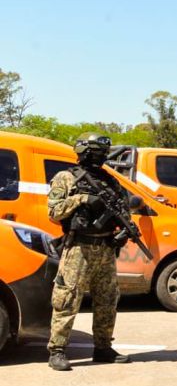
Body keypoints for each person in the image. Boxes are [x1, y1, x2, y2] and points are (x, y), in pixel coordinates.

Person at [46, 133, 131, 371]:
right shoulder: (66, 178)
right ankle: (57, 350)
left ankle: (103, 347)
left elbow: (123, 212)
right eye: (96, 152)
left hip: (105, 248)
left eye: (103, 152)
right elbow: (53, 212)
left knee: (107, 299)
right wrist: (82, 199)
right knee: (67, 298)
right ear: (83, 151)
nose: (101, 156)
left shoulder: (110, 181)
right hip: (78, 248)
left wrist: (122, 233)